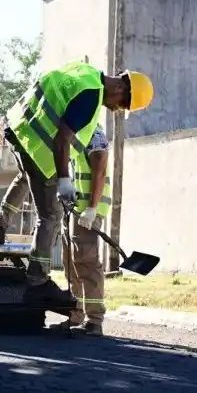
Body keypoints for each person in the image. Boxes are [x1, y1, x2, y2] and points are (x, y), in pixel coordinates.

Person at [0, 61, 154, 307]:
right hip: (37, 144)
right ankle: (37, 281)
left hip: (19, 127)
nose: (117, 110)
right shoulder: (90, 98)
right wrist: (63, 180)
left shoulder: (84, 72)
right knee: (50, 215)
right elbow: (62, 140)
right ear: (120, 88)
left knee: (24, 177)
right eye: (122, 105)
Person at [58, 125, 112, 335]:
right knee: (70, 263)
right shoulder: (76, 134)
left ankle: (94, 320)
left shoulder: (94, 134)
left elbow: (100, 167)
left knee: (86, 262)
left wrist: (91, 210)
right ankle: (76, 313)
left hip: (88, 210)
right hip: (75, 208)